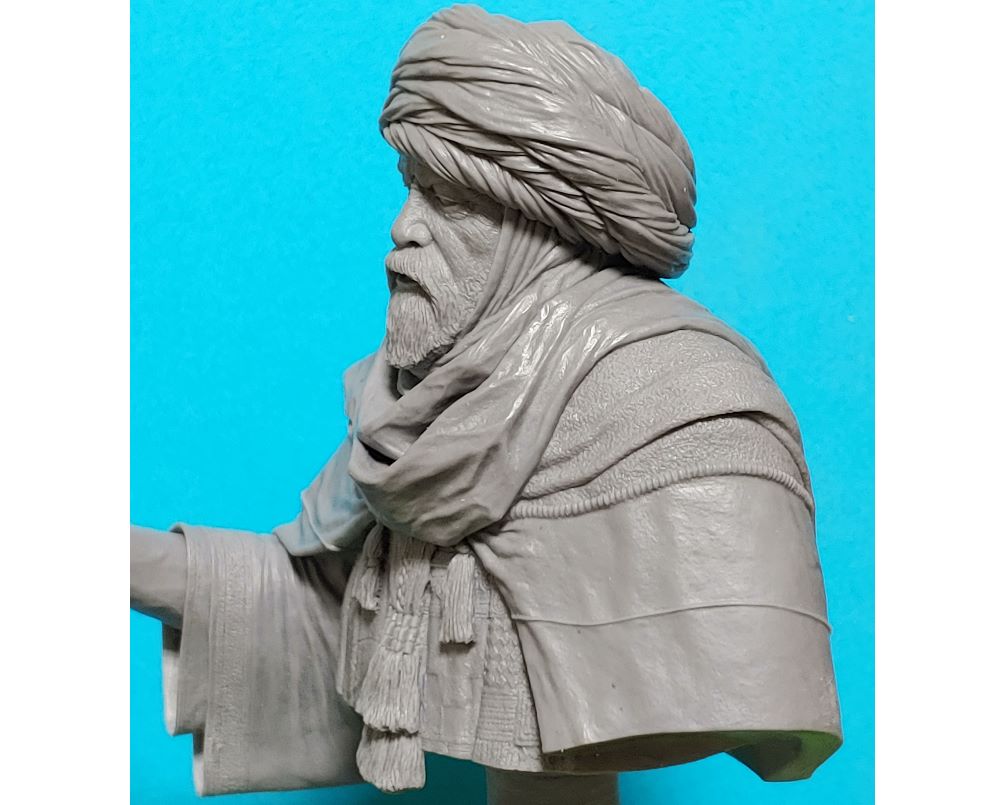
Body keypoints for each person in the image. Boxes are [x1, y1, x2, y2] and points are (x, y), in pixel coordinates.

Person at [131, 5, 841, 803]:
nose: (404, 228)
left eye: (451, 200)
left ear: (548, 224)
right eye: (411, 189)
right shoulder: (423, 397)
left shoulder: (686, 406)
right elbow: (305, 595)